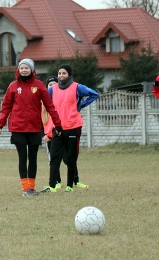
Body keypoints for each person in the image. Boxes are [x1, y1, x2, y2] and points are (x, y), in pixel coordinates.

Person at [0, 59, 62, 197]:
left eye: (27, 68)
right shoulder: (13, 86)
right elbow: (6, 106)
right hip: (18, 127)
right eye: (22, 68)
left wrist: (58, 124)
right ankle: (25, 189)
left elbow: (50, 106)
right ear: (18, 70)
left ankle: (31, 188)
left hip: (34, 128)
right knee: (22, 157)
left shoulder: (39, 85)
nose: (24, 70)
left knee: (33, 158)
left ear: (32, 70)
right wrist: (0, 123)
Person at [41, 64, 99, 193]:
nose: (61, 75)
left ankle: (70, 186)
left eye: (64, 73)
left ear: (69, 74)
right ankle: (52, 185)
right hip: (58, 128)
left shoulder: (77, 87)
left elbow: (94, 94)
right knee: (54, 157)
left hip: (73, 126)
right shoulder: (52, 89)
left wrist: (80, 106)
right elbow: (45, 102)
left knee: (71, 158)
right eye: (59, 73)